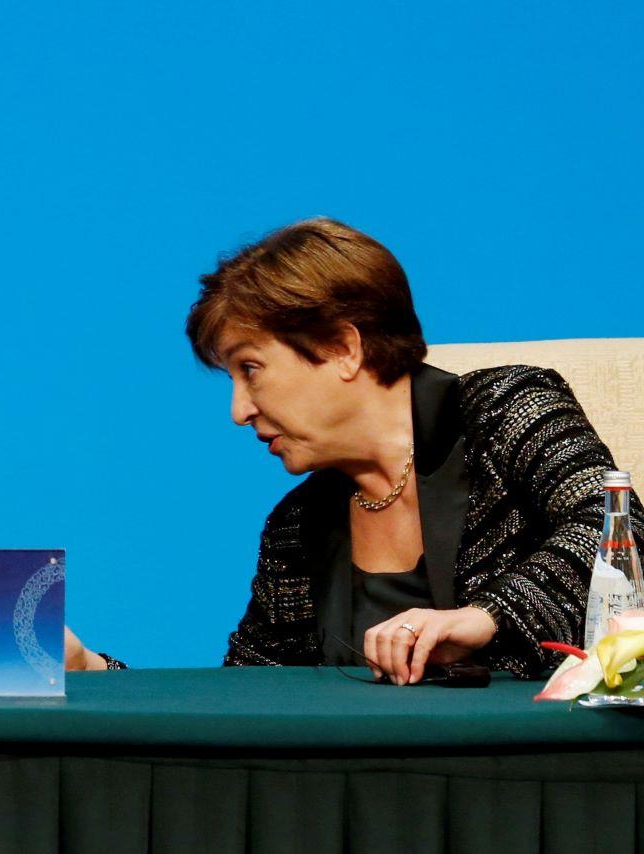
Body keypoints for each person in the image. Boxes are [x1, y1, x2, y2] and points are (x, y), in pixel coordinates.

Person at [185, 217, 644, 683]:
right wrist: (113, 677)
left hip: (548, 747)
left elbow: (617, 534)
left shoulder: (506, 409)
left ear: (343, 348)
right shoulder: (295, 527)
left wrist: (484, 617)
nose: (238, 411)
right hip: (378, 758)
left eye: (251, 368)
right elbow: (248, 692)